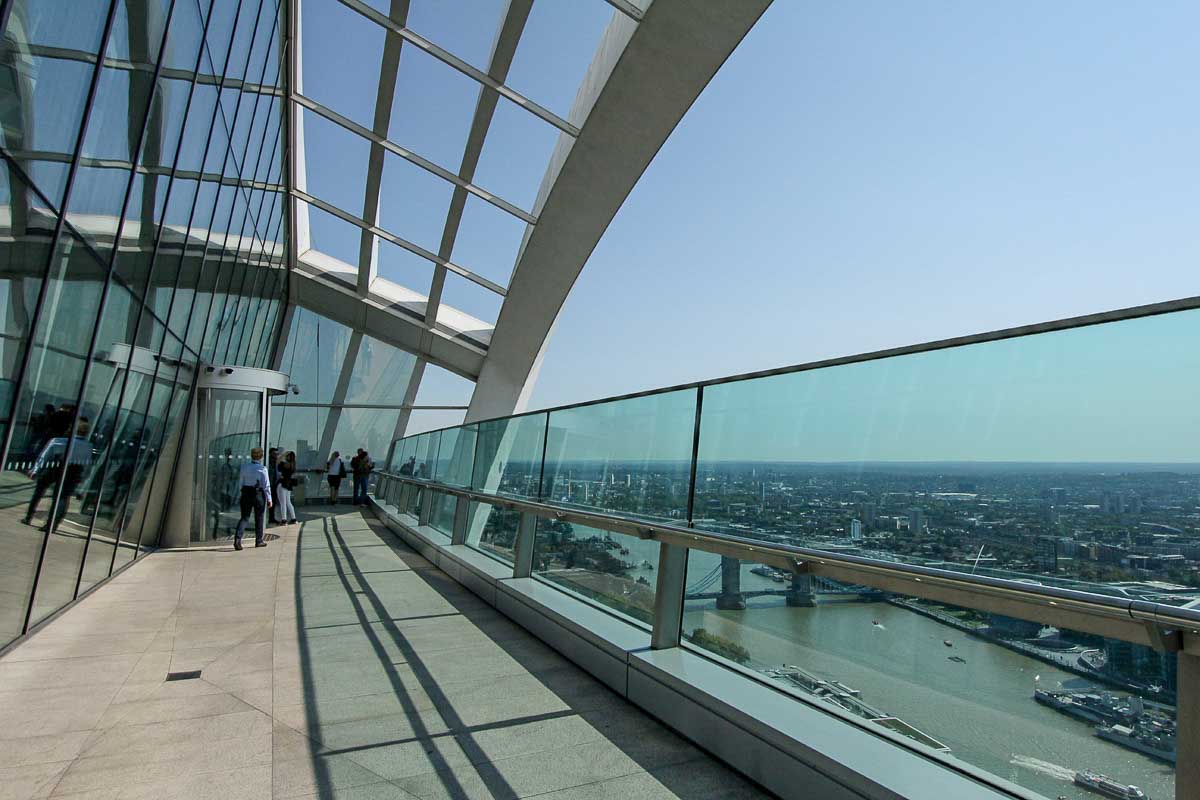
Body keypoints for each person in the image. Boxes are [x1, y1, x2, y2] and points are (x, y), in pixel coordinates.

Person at [23, 417, 94, 531]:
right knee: (62, 498)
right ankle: (52, 524)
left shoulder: (59, 441)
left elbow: (44, 456)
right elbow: (87, 464)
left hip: (56, 467)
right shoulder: (88, 446)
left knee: (39, 491)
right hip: (74, 471)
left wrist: (35, 470)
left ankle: (28, 516)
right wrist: (83, 478)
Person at [233, 446, 272, 551]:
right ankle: (259, 540)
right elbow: (266, 486)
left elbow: (241, 481)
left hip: (246, 493)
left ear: (252, 456)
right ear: (261, 457)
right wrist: (269, 499)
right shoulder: (263, 469)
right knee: (259, 517)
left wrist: (240, 492)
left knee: (245, 517)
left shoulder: (244, 467)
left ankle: (237, 539)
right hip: (258, 493)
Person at [276, 451, 297, 525]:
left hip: (282, 484)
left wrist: (283, 454)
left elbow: (277, 460)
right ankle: (293, 519)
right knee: (288, 502)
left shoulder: (284, 464)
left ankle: (284, 520)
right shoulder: (293, 465)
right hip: (289, 485)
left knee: (283, 503)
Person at [267, 447, 280, 524]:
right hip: (269, 484)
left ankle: (271, 518)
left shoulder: (276, 462)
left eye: (277, 454)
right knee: (270, 501)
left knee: (273, 501)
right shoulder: (268, 462)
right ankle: (270, 518)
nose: (277, 455)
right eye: (275, 454)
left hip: (274, 484)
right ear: (271, 454)